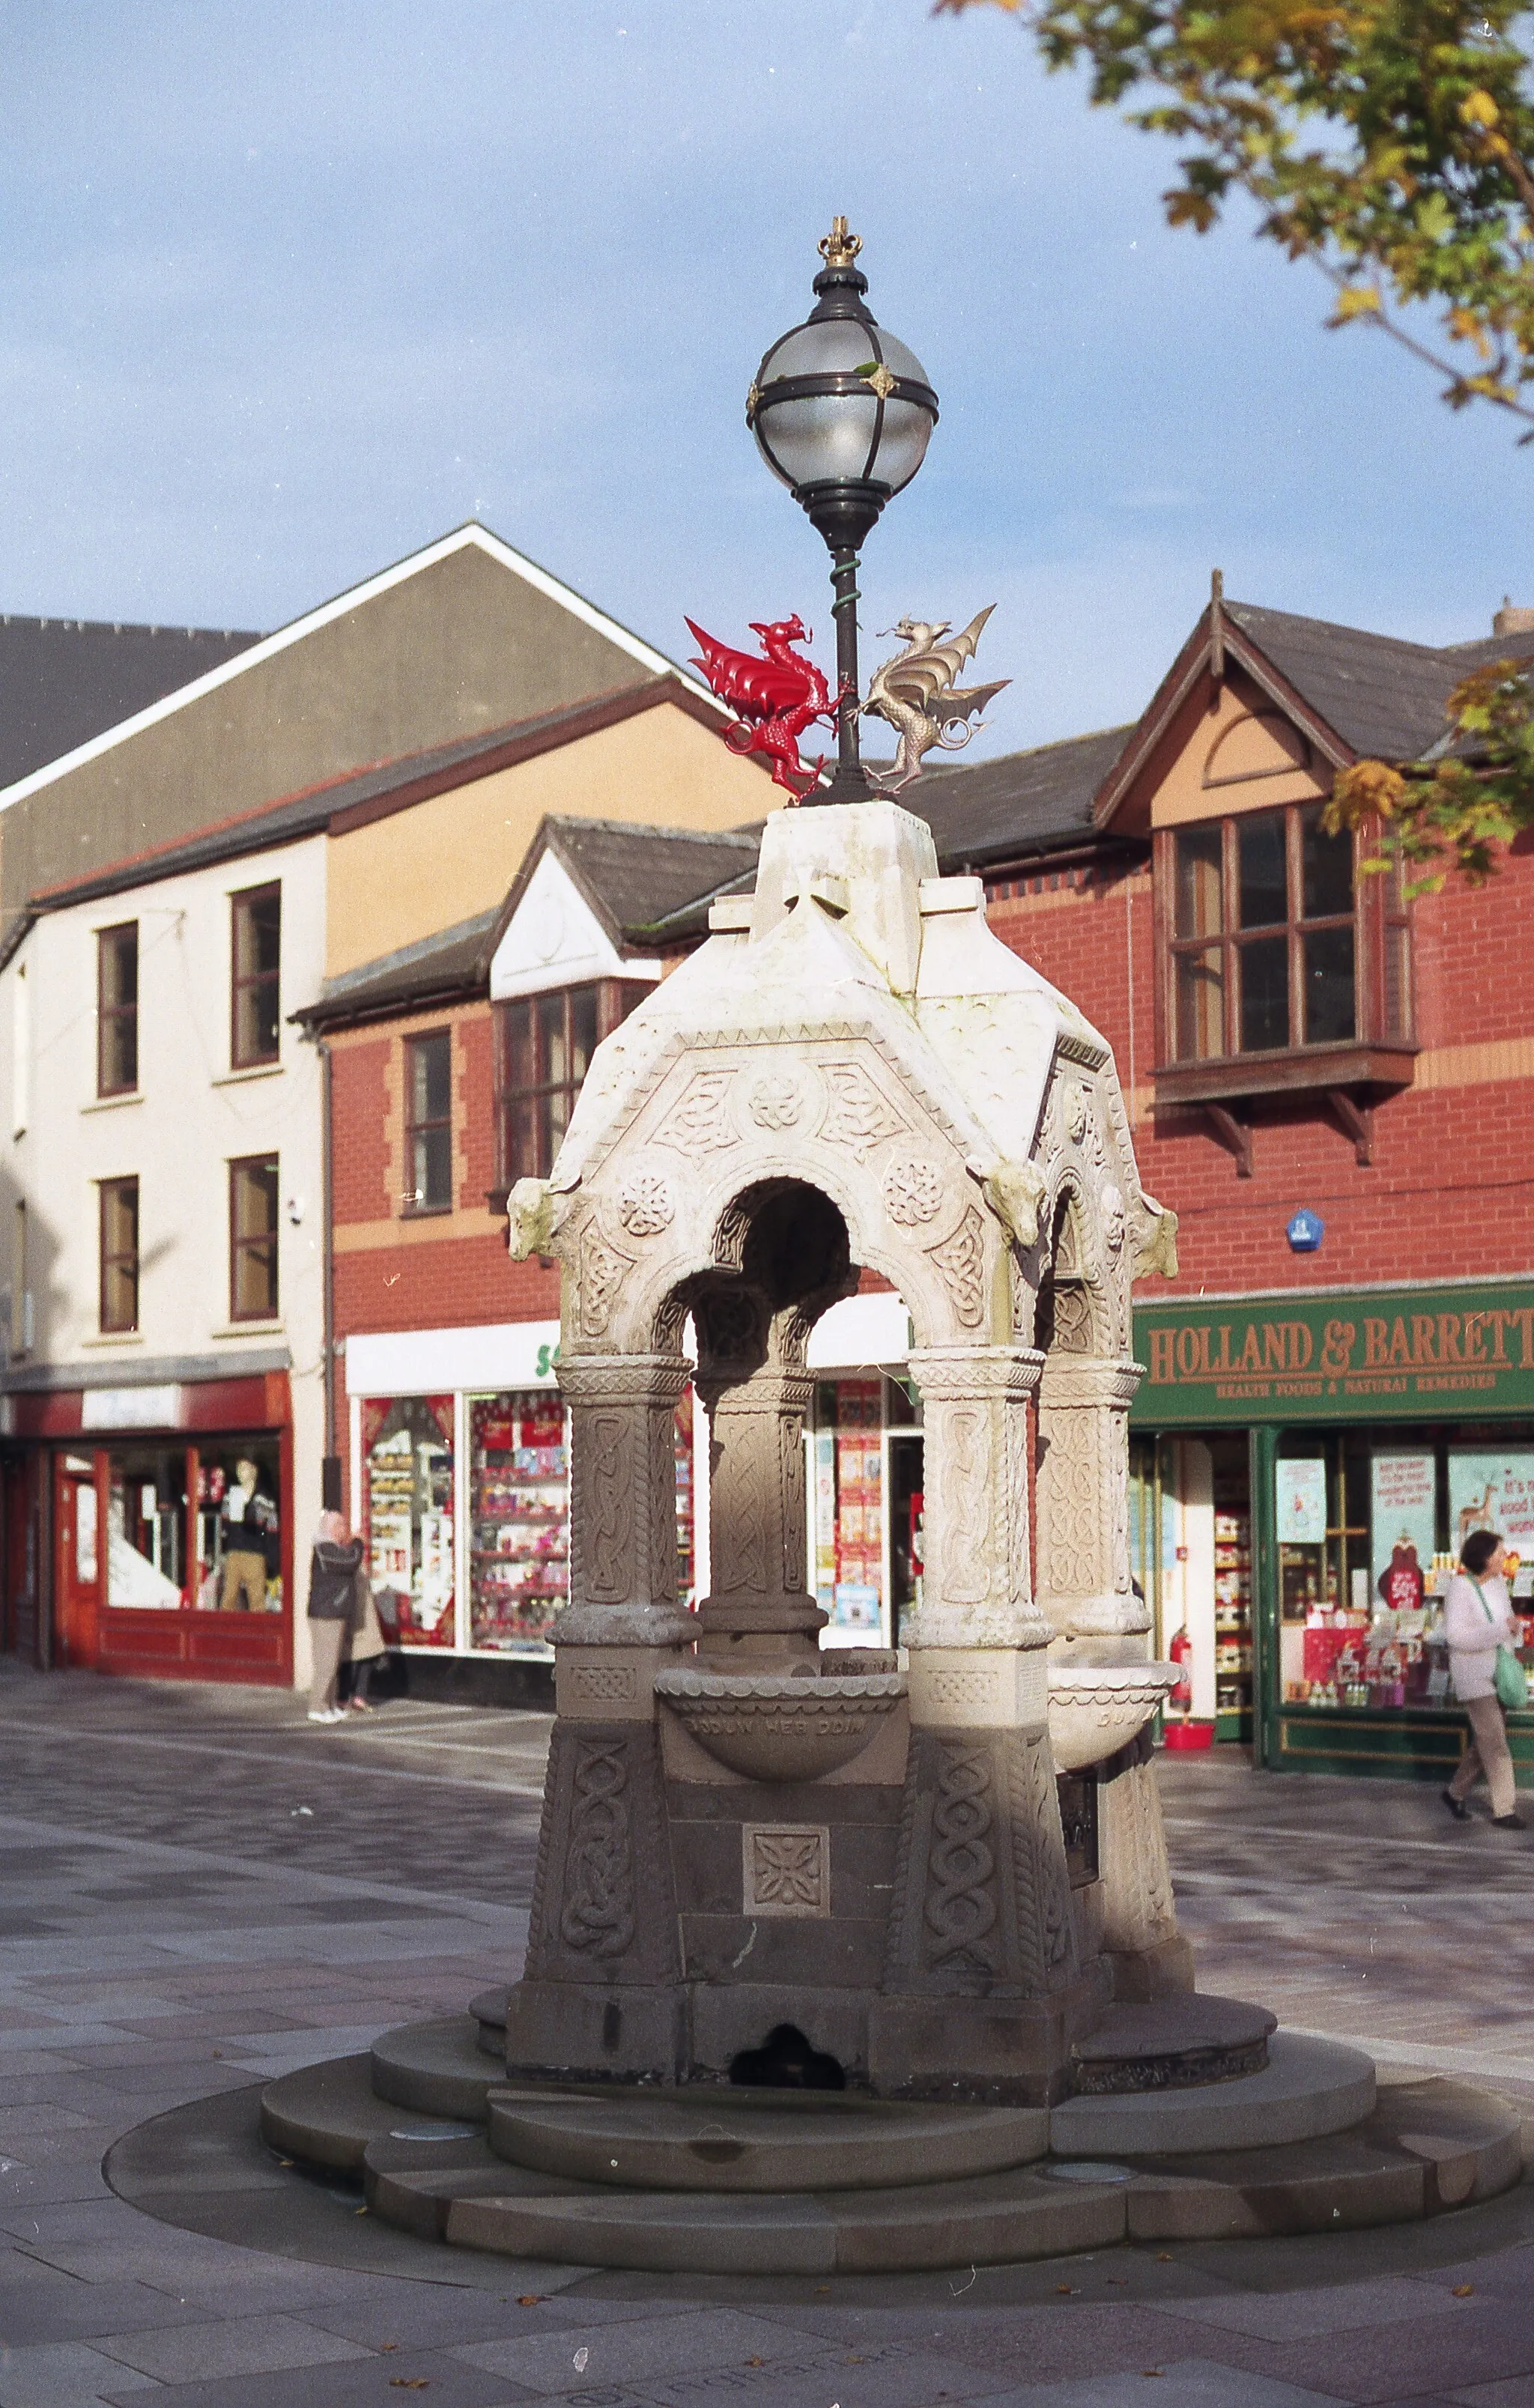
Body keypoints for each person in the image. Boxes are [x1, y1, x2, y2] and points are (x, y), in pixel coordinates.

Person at [1443, 1528, 1527, 1829]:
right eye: (1499, 1552)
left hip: (1499, 1673)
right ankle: (1504, 1809)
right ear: (1484, 1556)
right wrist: (1501, 1631)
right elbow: (1455, 1637)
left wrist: (1513, 1630)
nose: (1505, 1556)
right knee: (1495, 1742)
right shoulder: (1460, 1588)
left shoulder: (1498, 1585)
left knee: (1486, 1742)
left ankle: (1454, 1793)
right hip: (1474, 1676)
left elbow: (1503, 1626)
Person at [307, 1509, 365, 1724]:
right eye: (340, 1525)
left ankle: (329, 1705)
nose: (344, 1529)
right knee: (326, 1663)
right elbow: (351, 1561)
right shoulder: (324, 1548)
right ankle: (317, 1706)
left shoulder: (334, 1548)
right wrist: (358, 1542)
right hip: (326, 1614)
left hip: (336, 1611)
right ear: (330, 1529)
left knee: (333, 1662)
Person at [221, 1458, 279, 1613]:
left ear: (254, 1471)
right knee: (229, 1598)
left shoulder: (264, 1498)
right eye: (238, 1469)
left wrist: (273, 1560)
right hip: (234, 1552)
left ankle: (259, 1634)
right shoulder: (232, 1495)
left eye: (245, 1468)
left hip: (256, 1554)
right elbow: (225, 1524)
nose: (241, 1473)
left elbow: (271, 1529)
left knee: (257, 1600)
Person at [344, 1559, 388, 1714]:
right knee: (352, 1658)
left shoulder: (358, 1566)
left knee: (367, 1655)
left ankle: (359, 1697)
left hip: (365, 1617)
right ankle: (347, 1697)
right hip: (353, 1617)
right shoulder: (346, 1563)